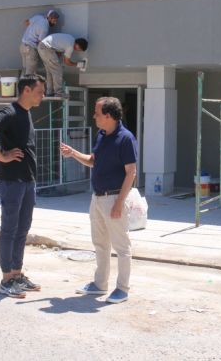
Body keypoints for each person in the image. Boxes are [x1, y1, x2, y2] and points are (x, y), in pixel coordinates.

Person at [60, 97, 137, 304]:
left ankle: (122, 289)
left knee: (122, 247)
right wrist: (73, 153)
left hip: (114, 198)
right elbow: (93, 161)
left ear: (109, 116)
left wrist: (120, 203)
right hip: (97, 198)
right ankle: (100, 284)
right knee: (100, 244)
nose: (93, 116)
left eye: (97, 113)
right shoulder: (102, 135)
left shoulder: (126, 138)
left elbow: (131, 173)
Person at [0, 74, 46, 298]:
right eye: (39, 92)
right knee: (9, 230)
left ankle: (17, 275)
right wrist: (2, 156)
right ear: (26, 90)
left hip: (27, 181)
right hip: (12, 181)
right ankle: (6, 279)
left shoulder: (25, 114)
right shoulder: (9, 112)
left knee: (22, 229)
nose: (42, 96)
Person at [20, 9, 60, 76]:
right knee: (30, 74)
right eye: (54, 21)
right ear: (49, 18)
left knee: (25, 70)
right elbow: (40, 44)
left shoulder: (38, 17)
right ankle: (27, 86)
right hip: (30, 49)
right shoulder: (45, 28)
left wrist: (33, 31)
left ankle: (21, 85)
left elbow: (26, 22)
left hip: (22, 46)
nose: (55, 23)